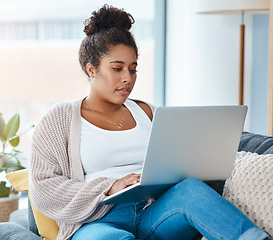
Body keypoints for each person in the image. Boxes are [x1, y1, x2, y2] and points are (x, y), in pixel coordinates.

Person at [29, 5, 272, 240]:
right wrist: (110, 186)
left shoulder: (147, 112)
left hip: (155, 213)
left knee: (192, 189)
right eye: (117, 68)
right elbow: (44, 189)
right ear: (91, 70)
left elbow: (178, 164)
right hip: (99, 221)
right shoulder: (60, 118)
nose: (127, 78)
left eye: (133, 69)